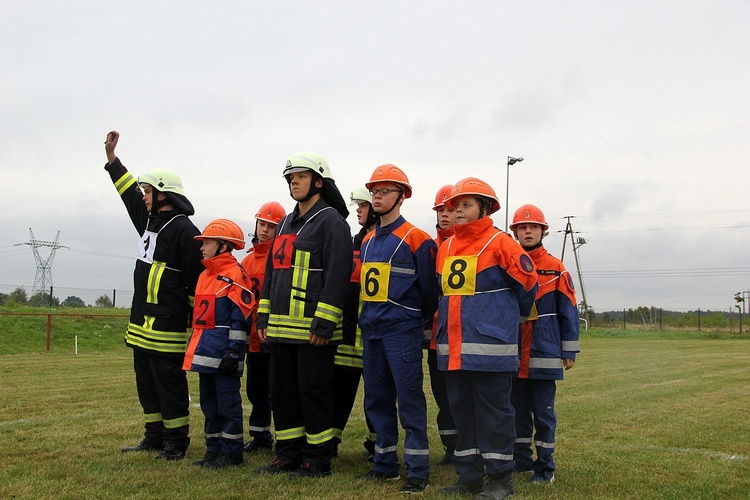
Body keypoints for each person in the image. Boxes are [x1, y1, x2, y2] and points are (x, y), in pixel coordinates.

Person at [435, 178, 537, 499]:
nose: (458, 211)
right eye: (455, 205)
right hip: (453, 351)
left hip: (491, 349)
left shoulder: (502, 243)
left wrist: (497, 321)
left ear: (485, 207)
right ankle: (469, 477)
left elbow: (527, 288)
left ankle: (500, 480)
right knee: (461, 414)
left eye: (465, 205)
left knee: (494, 415)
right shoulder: (446, 247)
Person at [104, 130, 203, 461]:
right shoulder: (149, 221)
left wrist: (189, 323)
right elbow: (128, 194)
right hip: (141, 323)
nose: (144, 196)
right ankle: (154, 436)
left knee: (169, 385)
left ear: (164, 195)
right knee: (146, 384)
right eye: (145, 190)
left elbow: (194, 283)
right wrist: (113, 161)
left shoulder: (185, 231)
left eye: (149, 191)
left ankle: (176, 441)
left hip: (167, 326)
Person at [254, 152, 353, 479]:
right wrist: (263, 317)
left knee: (313, 395)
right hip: (281, 332)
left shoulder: (332, 223)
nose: (293, 181)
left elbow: (338, 276)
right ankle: (288, 455)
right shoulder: (284, 223)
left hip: (313, 333)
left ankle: (317, 460)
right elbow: (271, 273)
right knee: (282, 396)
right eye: (290, 177)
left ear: (319, 182)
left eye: (300, 176)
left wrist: (324, 324)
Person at [358, 164, 439, 494]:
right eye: (374, 190)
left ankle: (418, 470)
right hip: (372, 332)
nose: (377, 195)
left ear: (402, 196)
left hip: (401, 332)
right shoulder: (365, 241)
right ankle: (384, 465)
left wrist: (412, 323)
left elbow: (430, 295)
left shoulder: (418, 240)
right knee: (376, 400)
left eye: (385, 190)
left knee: (409, 401)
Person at [509, 204, 580, 485]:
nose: (528, 231)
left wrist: (569, 349)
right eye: (522, 228)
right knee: (517, 413)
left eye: (533, 227)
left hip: (544, 352)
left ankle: (545, 468)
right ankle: (521, 461)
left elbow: (569, 310)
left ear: (542, 231)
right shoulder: (509, 263)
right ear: (515, 232)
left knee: (543, 414)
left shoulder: (556, 268)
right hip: (513, 354)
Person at [184, 219, 255, 469]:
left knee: (228, 406)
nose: (202, 247)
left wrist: (233, 354)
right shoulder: (205, 275)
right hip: (205, 354)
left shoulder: (234, 275)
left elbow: (241, 319)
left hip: (224, 356)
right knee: (209, 406)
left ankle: (232, 453)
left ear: (223, 245)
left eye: (208, 242)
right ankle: (213, 450)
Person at [331, 187, 378, 459]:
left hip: (371, 335)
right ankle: (331, 441)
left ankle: (376, 444)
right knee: (339, 393)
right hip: (348, 335)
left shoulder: (383, 241)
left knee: (376, 396)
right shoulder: (352, 242)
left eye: (362, 205)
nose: (357, 210)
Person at [240, 201, 286, 454]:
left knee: (277, 391)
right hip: (253, 338)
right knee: (255, 390)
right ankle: (259, 437)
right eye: (262, 224)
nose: (265, 230)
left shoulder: (280, 259)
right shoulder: (246, 262)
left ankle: (285, 438)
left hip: (273, 335)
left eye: (271, 226)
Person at [427, 185, 459, 466]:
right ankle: (451, 448)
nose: (445, 215)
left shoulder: (467, 247)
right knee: (443, 398)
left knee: (465, 397)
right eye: (441, 210)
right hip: (436, 339)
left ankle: (471, 447)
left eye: (450, 210)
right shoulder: (431, 247)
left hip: (463, 336)